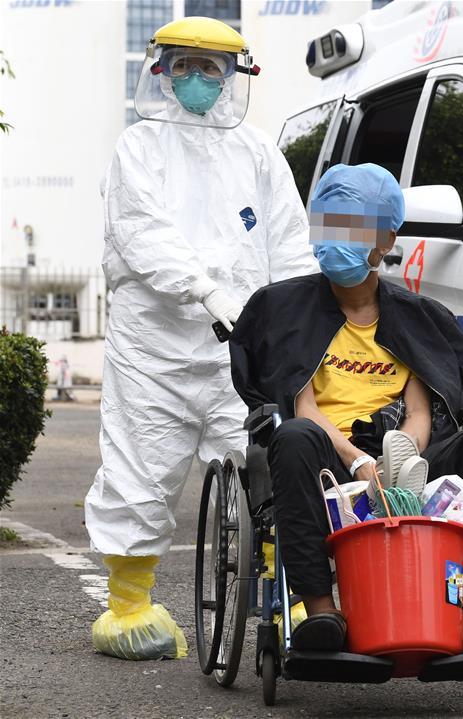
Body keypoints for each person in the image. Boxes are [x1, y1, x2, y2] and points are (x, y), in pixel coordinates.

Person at [84, 16, 316, 660]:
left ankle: (289, 598)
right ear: (160, 71)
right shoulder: (138, 147)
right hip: (152, 350)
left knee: (268, 469)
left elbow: (289, 244)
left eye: (210, 67)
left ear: (233, 76)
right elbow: (141, 231)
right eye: (183, 65)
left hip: (238, 353)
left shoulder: (257, 153)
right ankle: (129, 606)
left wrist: (299, 325)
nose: (196, 78)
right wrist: (205, 289)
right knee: (139, 467)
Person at [230, 163, 463, 654]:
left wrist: (401, 461)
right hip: (326, 454)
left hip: (404, 455)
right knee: (294, 438)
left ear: (386, 240)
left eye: (353, 228)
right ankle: (322, 615)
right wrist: (359, 462)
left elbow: (420, 410)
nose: (337, 240)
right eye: (330, 226)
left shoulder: (419, 319)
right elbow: (303, 406)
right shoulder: (283, 311)